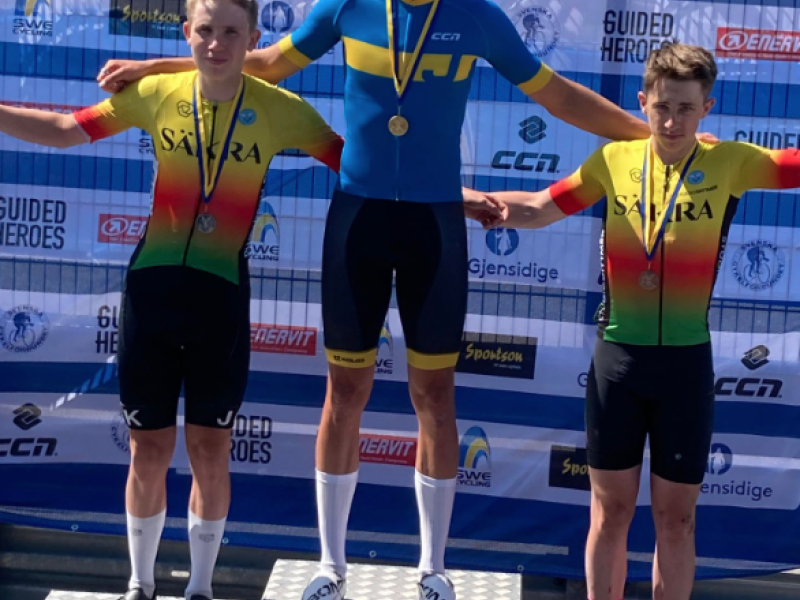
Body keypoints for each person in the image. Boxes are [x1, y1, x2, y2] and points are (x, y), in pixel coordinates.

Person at [97, 2, 655, 599]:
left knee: (435, 398)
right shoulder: (348, 5)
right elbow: (262, 64)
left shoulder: (476, 16)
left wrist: (655, 134)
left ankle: (433, 569)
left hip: (433, 224)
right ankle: (330, 566)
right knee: (344, 393)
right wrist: (155, 66)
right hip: (358, 219)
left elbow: (558, 96)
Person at [0, 1, 344, 599]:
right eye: (205, 30)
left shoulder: (282, 109)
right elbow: (63, 131)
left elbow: (353, 163)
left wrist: (453, 196)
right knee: (148, 448)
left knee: (211, 450)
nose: (216, 43)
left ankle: (201, 589)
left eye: (230, 32)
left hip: (221, 302)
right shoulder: (156, 92)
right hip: (151, 294)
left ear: (253, 39)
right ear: (186, 33)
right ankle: (140, 584)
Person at [466, 43, 800, 600]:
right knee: (610, 511)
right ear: (643, 102)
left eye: (686, 109)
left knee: (677, 519)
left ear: (708, 107)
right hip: (618, 364)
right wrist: (470, 202)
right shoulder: (613, 161)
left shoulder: (732, 162)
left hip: (685, 367)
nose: (672, 122)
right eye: (662, 107)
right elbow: (541, 207)